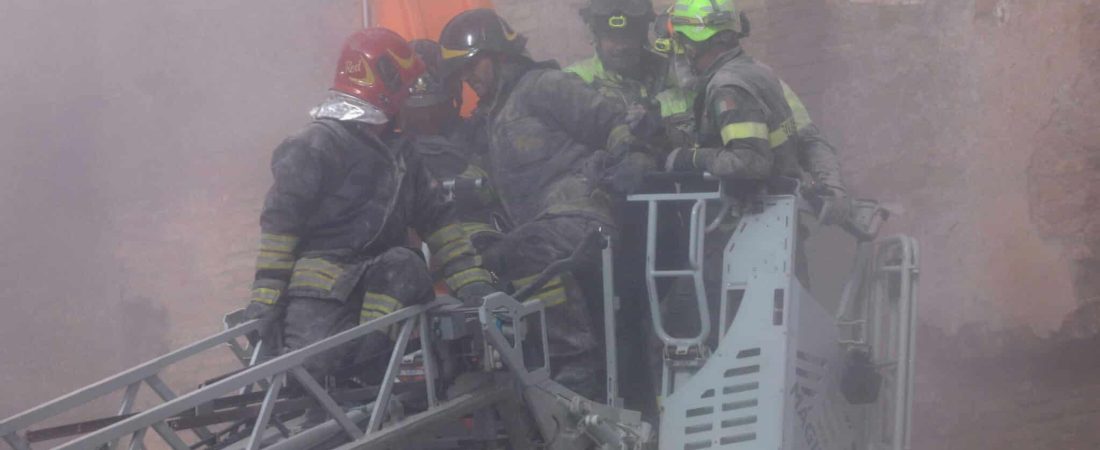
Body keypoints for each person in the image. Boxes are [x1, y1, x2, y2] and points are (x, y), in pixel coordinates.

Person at [240, 28, 481, 383]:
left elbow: (440, 223)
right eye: (406, 88)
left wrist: (475, 285)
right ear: (385, 84)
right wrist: (265, 302)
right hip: (321, 295)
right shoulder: (314, 146)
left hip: (380, 283)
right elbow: (280, 228)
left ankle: (367, 368)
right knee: (308, 378)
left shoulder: (403, 155)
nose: (409, 100)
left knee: (405, 264)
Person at [437, 8, 655, 399]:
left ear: (499, 53)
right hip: (540, 230)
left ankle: (574, 365)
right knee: (493, 262)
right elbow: (477, 190)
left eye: (473, 64)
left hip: (584, 216)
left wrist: (632, 159)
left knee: (523, 252)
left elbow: (614, 124)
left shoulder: (545, 86)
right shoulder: (488, 120)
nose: (468, 78)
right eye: (461, 73)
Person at [399, 38, 503, 305]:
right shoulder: (387, 152)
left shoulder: (482, 135)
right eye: (416, 113)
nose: (426, 122)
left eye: (434, 111)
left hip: (479, 250)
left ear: (452, 99)